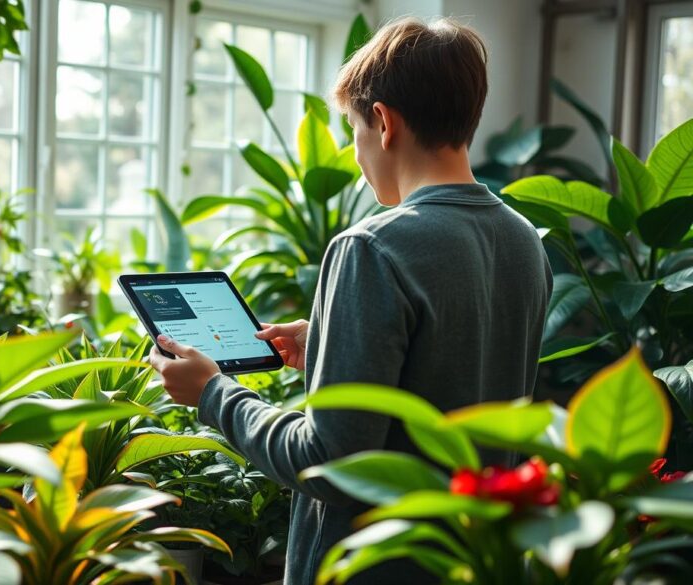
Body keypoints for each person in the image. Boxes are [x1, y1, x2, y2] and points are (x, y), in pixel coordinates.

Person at [148, 16, 553, 585]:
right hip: (473, 558)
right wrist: (329, 345)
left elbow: (328, 463)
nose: (358, 155)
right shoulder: (522, 240)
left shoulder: (371, 246)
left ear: (384, 123)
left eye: (355, 131)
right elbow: (454, 376)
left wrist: (213, 393)